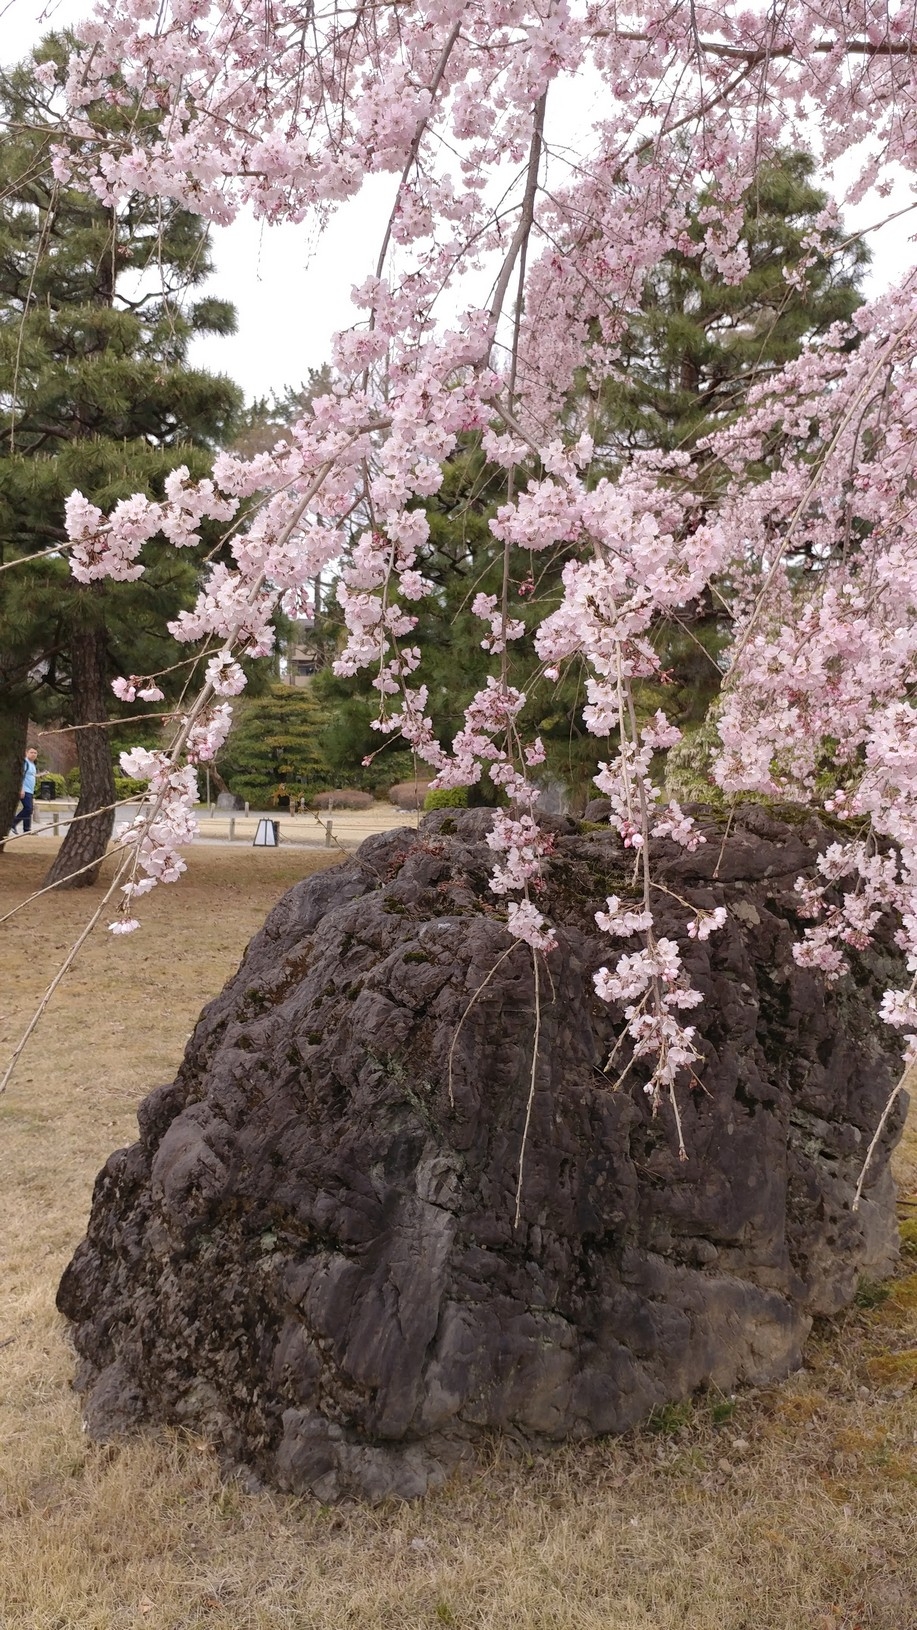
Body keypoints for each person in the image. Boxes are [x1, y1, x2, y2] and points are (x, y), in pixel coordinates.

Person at [11, 747, 39, 834]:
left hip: (30, 790)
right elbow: (20, 776)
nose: (33, 754)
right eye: (31, 752)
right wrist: (21, 789)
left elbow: (31, 776)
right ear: (27, 753)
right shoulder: (25, 763)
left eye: (35, 753)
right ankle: (13, 823)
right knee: (28, 808)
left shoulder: (33, 764)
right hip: (25, 789)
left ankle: (27, 830)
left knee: (29, 810)